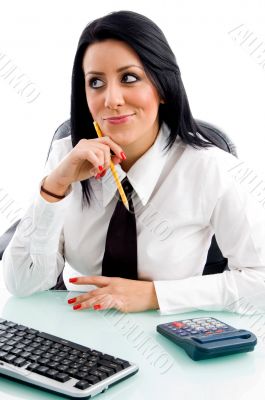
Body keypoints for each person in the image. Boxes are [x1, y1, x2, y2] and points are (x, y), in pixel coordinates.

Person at [3, 10, 265, 315]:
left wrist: (154, 295)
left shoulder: (210, 168)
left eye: (129, 78)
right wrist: (55, 187)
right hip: (76, 337)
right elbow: (22, 283)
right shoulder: (66, 156)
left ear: (163, 86)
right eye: (96, 83)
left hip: (168, 339)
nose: (111, 99)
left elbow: (260, 282)